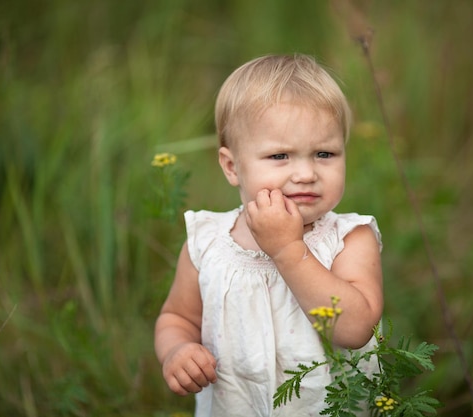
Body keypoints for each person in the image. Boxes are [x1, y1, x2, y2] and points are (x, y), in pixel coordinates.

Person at [154, 54, 384, 417]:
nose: (306, 173)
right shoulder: (209, 241)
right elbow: (178, 318)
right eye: (280, 156)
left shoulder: (349, 239)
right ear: (232, 166)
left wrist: (288, 249)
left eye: (325, 153)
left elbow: (355, 330)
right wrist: (176, 351)